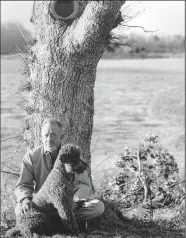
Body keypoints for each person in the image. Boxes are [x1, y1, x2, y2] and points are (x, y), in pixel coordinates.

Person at [14, 118, 104, 232]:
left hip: (69, 204)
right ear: (41, 136)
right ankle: (56, 222)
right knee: (19, 209)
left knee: (98, 207)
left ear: (61, 136)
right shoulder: (31, 157)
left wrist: (76, 202)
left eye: (53, 135)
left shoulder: (71, 154)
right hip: (43, 205)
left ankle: (58, 221)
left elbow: (83, 184)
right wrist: (26, 199)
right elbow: (23, 184)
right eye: (46, 135)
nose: (49, 139)